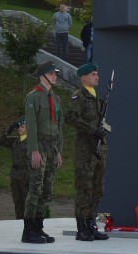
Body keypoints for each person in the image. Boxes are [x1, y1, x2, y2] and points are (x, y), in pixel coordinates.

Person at [64, 62, 111, 242]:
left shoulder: (96, 97)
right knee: (84, 189)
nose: (97, 77)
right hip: (86, 151)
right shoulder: (79, 97)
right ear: (83, 77)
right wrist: (93, 130)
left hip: (98, 151)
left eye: (96, 74)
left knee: (97, 189)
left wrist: (101, 132)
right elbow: (71, 118)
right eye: (93, 74)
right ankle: (81, 227)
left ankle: (91, 224)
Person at [22, 61, 64, 244]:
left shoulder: (55, 98)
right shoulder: (34, 97)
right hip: (39, 144)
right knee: (35, 188)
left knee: (47, 189)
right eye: (52, 73)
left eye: (55, 73)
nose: (55, 76)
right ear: (43, 76)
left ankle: (39, 227)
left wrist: (59, 151)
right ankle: (28, 229)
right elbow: (30, 126)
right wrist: (34, 151)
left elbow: (59, 127)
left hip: (52, 147)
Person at [0, 116, 29, 219]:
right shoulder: (15, 140)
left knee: (27, 200)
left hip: (26, 174)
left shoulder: (32, 142)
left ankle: (29, 224)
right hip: (15, 174)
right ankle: (18, 222)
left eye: (22, 126)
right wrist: (9, 129)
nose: (19, 129)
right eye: (18, 127)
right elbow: (0, 141)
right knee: (17, 200)